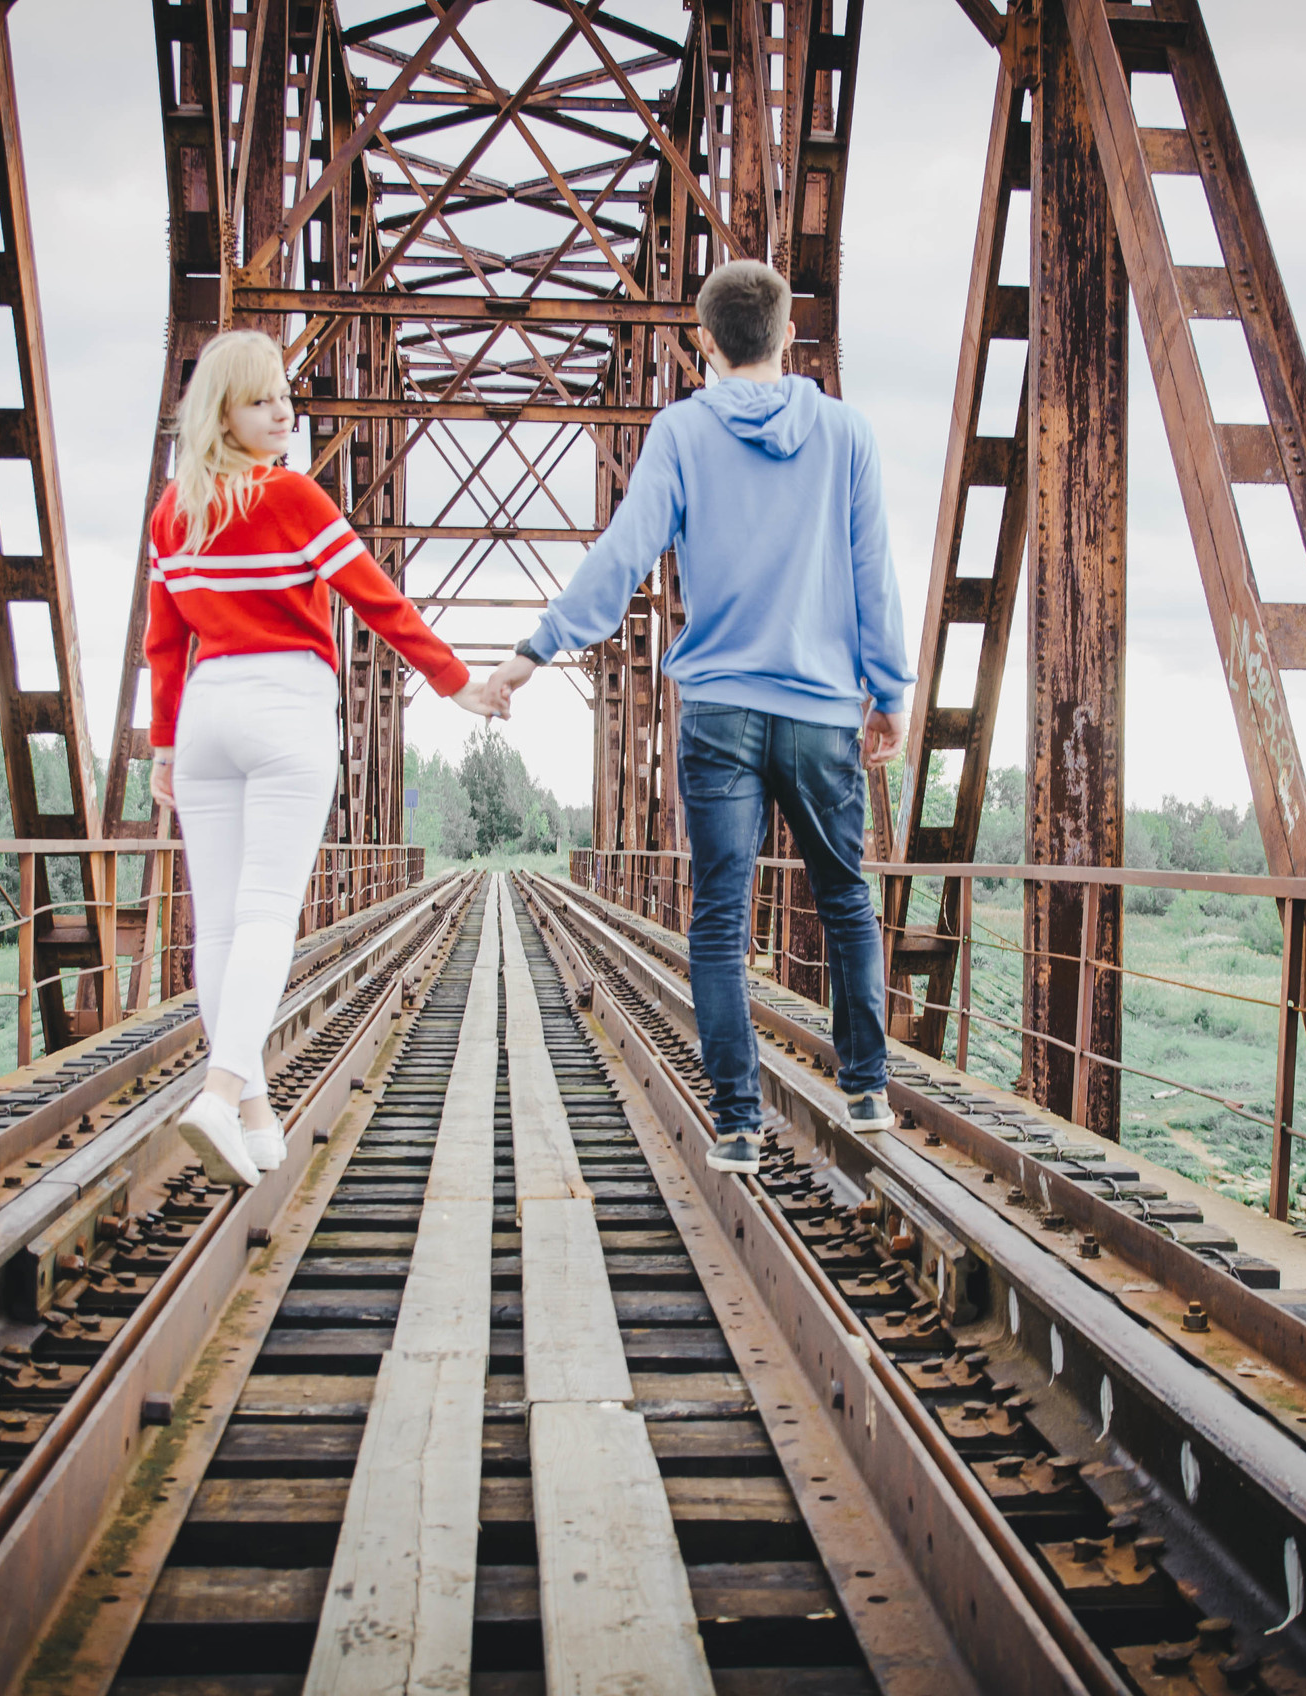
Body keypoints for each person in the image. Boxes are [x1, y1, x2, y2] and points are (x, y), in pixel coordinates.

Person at [480, 261, 915, 1175]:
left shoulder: (680, 430)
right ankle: (868, 1088)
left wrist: (536, 649)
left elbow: (624, 552)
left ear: (705, 345)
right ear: (788, 334)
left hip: (718, 708)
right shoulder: (846, 435)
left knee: (719, 918)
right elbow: (874, 568)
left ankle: (737, 1124)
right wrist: (891, 691)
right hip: (820, 710)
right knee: (844, 896)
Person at [147, 330, 498, 1187]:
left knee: (220, 924)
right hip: (283, 706)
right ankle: (221, 1092)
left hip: (205, 713)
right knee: (267, 914)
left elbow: (164, 646)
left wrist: (162, 747)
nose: (283, 413)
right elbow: (376, 599)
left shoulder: (173, 512)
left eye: (284, 397)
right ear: (222, 413)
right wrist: (457, 685)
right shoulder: (293, 498)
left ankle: (257, 1118)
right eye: (262, 399)